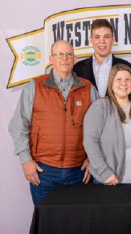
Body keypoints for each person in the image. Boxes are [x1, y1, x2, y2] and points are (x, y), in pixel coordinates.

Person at [8, 40, 99, 205]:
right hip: (44, 172)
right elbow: (18, 125)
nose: (64, 58)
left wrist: (93, 158)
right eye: (59, 54)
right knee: (47, 224)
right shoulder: (35, 86)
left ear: (74, 58)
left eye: (68, 54)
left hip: (78, 172)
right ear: (51, 58)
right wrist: (26, 160)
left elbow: (100, 127)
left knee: (77, 223)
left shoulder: (88, 88)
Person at [83, 64, 131, 185]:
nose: (123, 83)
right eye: (118, 79)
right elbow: (90, 142)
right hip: (108, 180)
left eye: (127, 79)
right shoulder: (99, 107)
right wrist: (105, 173)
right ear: (111, 82)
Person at [74, 19, 131, 98]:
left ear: (112, 40)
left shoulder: (127, 67)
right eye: (97, 37)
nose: (102, 41)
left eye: (106, 37)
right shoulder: (78, 68)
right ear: (91, 40)